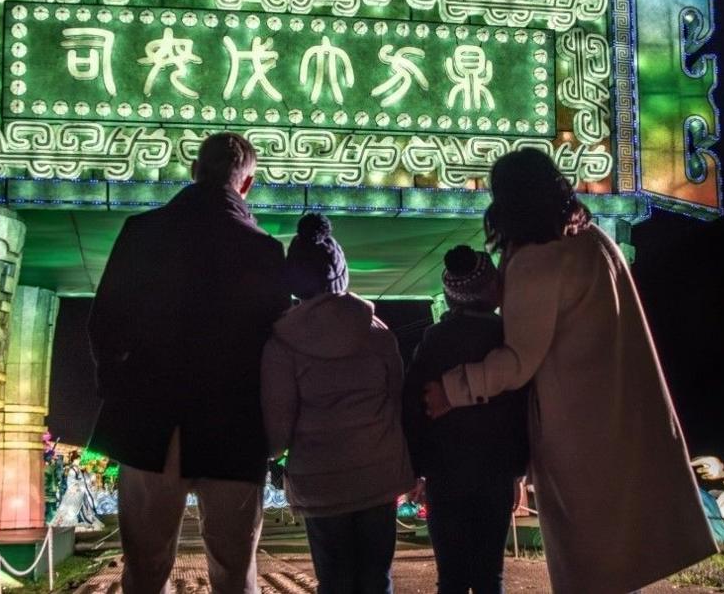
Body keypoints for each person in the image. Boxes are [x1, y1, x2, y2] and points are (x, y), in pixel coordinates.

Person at [423, 148, 717, 594]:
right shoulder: (595, 241)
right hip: (623, 421)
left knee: (589, 566)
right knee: (622, 560)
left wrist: (451, 388)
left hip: (577, 432)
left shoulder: (537, 261)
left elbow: (518, 361)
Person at [88, 133, 290, 594]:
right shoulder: (263, 251)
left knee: (145, 567)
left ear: (195, 170)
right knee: (235, 570)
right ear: (248, 184)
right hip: (233, 429)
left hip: (150, 423)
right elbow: (276, 347)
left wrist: (121, 386)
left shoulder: (142, 231)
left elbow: (105, 324)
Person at [261, 213, 415, 594]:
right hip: (378, 475)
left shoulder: (281, 345)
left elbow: (277, 432)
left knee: (334, 581)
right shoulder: (378, 333)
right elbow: (397, 403)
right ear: (341, 274)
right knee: (377, 579)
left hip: (320, 483)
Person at [402, 245, 529, 594]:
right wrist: (519, 468)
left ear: (449, 295)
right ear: (493, 290)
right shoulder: (509, 338)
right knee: (490, 576)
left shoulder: (434, 340)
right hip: (497, 470)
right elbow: (522, 408)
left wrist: (416, 468)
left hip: (445, 474)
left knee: (452, 578)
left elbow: (413, 405)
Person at [50, 450, 102, 532]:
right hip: (74, 492)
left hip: (81, 492)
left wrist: (86, 481)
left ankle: (83, 519)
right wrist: (78, 484)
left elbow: (85, 479)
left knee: (83, 508)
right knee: (71, 509)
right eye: (77, 460)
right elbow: (70, 481)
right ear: (74, 460)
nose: (78, 461)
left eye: (79, 460)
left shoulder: (79, 470)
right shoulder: (72, 470)